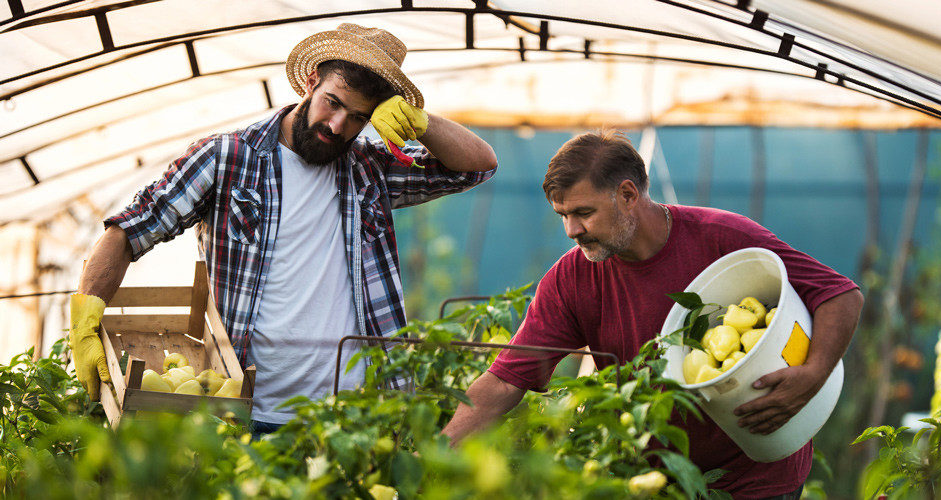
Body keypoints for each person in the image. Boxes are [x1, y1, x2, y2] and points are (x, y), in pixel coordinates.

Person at [67, 23, 498, 435]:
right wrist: (85, 321)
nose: (337, 126)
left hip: (354, 418)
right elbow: (130, 229)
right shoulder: (227, 159)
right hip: (242, 410)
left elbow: (477, 167)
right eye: (333, 102)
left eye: (358, 117)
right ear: (310, 81)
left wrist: (420, 122)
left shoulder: (371, 167)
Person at [441, 131, 862, 499]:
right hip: (651, 480)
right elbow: (505, 379)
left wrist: (814, 373)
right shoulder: (571, 278)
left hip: (752, 474)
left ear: (627, 195)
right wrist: (437, 457)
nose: (571, 230)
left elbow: (838, 294)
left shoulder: (722, 237)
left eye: (583, 213)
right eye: (563, 216)